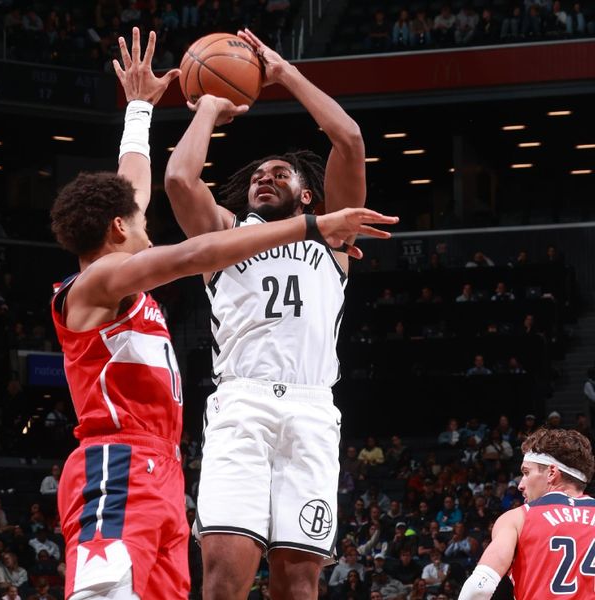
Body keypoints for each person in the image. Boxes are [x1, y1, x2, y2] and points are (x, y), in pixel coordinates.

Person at [164, 27, 395, 600]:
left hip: (314, 410)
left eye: (279, 173)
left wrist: (284, 74)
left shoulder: (332, 237)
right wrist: (211, 108)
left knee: (298, 583)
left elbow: (348, 139)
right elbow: (177, 179)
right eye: (258, 177)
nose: (264, 178)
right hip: (242, 403)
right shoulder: (224, 235)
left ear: (309, 195)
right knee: (224, 576)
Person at [458, 428, 595, 599]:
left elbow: (479, 588)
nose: (520, 485)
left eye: (526, 472)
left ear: (552, 473)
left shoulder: (517, 518)